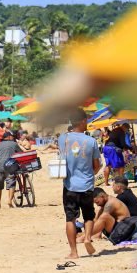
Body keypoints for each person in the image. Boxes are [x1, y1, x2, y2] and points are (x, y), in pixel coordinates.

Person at [60, 109, 102, 258]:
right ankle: (88, 238)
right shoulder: (91, 141)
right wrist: (92, 174)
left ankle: (73, 252)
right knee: (89, 215)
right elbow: (97, 165)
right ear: (83, 121)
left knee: (70, 218)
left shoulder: (63, 139)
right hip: (87, 185)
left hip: (69, 185)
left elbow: (63, 158)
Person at [0, 131, 22, 209]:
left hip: (0, 167)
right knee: (11, 184)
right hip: (10, 166)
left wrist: (0, 160)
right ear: (8, 137)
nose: (13, 137)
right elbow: (21, 154)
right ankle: (9, 201)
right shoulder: (14, 144)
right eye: (11, 136)